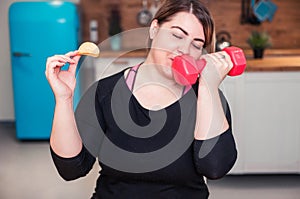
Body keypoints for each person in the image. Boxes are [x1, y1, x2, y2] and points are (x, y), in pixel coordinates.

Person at [45, 0, 237, 198]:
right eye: (176, 35)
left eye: (197, 45)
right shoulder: (105, 91)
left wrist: (208, 86)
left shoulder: (206, 97)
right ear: (154, 29)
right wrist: (64, 99)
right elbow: (72, 169)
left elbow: (215, 168)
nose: (184, 50)